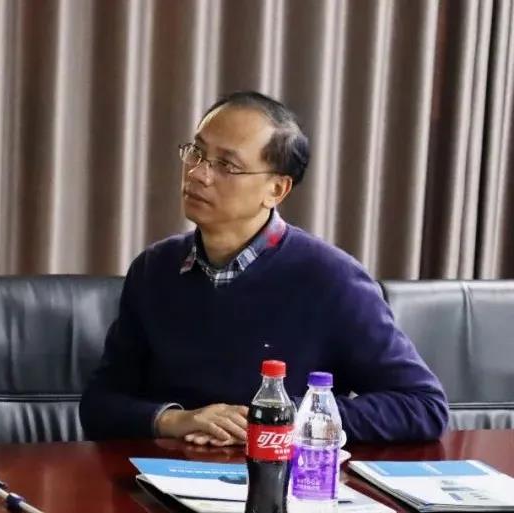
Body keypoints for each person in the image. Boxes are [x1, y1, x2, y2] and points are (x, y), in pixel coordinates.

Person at [79, 91, 448, 445]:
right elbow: (100, 404)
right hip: (160, 475)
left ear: (276, 190)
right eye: (197, 152)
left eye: (226, 165)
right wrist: (176, 420)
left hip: (275, 476)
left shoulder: (330, 279)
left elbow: (421, 406)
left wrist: (275, 418)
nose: (198, 173)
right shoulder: (154, 269)